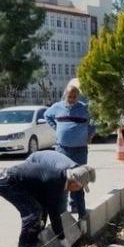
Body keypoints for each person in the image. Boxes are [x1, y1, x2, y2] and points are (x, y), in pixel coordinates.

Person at [0, 150, 96, 247]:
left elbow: (47, 206)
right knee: (32, 214)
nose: (78, 190)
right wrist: (62, 239)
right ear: (74, 183)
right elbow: (54, 214)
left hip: (17, 182)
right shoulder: (56, 182)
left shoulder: (61, 178)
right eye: (80, 187)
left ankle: (32, 245)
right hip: (7, 183)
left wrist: (82, 216)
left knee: (39, 210)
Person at [43, 83, 95, 220]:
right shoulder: (57, 107)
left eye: (74, 96)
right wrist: (57, 129)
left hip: (80, 150)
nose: (71, 99)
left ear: (78, 96)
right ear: (65, 95)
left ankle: (79, 209)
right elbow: (47, 115)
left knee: (78, 179)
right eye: (69, 96)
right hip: (62, 149)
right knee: (63, 179)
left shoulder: (84, 108)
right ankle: (63, 211)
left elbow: (95, 122)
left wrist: (89, 134)